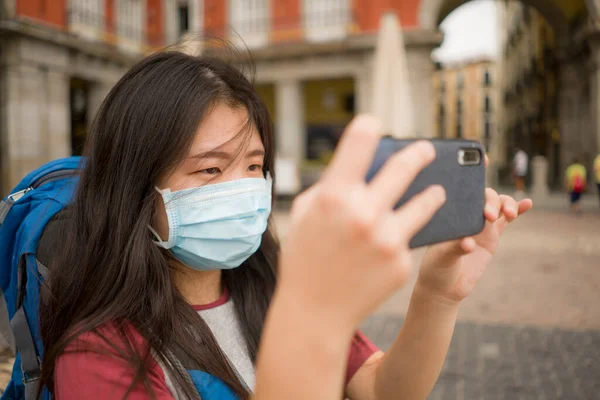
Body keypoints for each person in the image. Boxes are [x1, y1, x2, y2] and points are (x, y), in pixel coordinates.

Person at [38, 48, 532, 400]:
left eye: (254, 167)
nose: (243, 187)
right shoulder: (98, 355)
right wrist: (314, 315)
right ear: (134, 190)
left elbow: (383, 389)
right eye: (210, 169)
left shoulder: (269, 287)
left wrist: (437, 295)